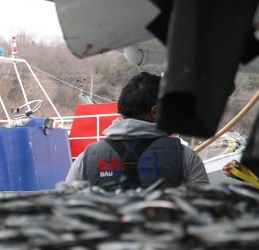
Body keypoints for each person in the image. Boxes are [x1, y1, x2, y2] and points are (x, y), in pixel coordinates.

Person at [66, 72, 209, 188]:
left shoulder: (85, 158)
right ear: (156, 111)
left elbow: (66, 208)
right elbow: (205, 211)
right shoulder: (186, 157)